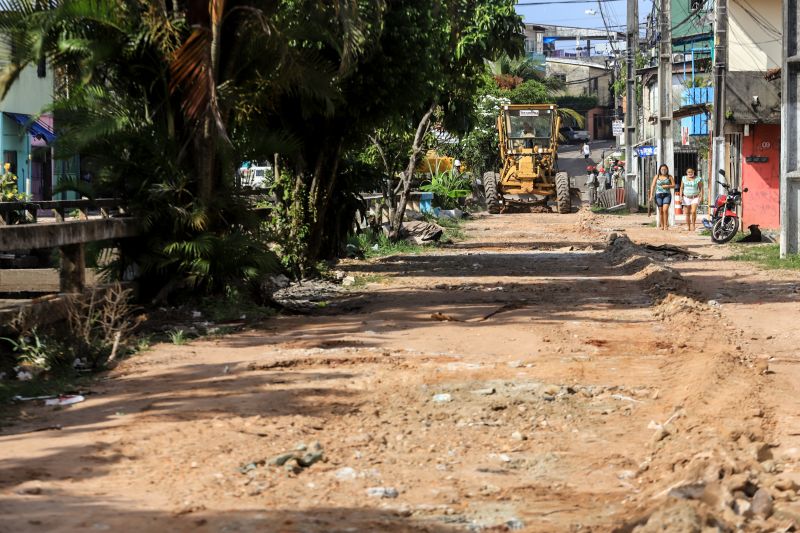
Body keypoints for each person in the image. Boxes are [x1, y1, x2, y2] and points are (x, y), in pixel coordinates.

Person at [649, 164, 675, 230]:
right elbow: (653, 186)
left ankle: (666, 225)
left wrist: (667, 186)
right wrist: (651, 195)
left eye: (665, 169)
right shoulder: (657, 176)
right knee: (660, 211)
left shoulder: (669, 177)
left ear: (667, 170)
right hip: (658, 195)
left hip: (667, 194)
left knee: (665, 210)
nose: (663, 170)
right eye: (662, 169)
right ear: (660, 170)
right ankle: (662, 225)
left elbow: (674, 185)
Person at [680, 167, 703, 232]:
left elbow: (701, 188)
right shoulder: (684, 178)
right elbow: (681, 188)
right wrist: (680, 196)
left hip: (695, 197)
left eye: (691, 172)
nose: (690, 173)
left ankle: (693, 225)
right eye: (689, 172)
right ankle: (688, 226)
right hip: (686, 197)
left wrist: (701, 196)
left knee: (693, 211)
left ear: (694, 172)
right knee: (687, 213)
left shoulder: (698, 179)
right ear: (686, 173)